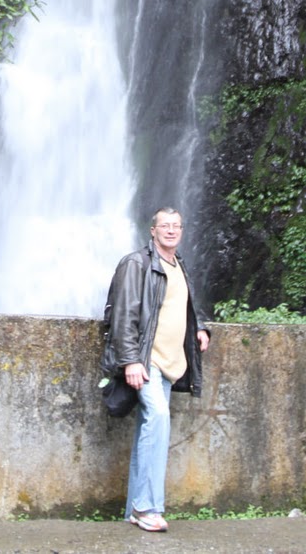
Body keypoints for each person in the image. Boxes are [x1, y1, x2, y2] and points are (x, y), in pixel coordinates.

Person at [100, 207, 211, 533]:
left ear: (182, 230)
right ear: (153, 230)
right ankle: (147, 508)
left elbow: (185, 305)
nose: (171, 230)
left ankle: (134, 510)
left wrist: (200, 328)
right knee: (159, 418)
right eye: (165, 225)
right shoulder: (136, 263)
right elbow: (122, 314)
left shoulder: (179, 265)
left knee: (148, 429)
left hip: (170, 362)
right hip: (147, 361)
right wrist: (131, 360)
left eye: (176, 225)